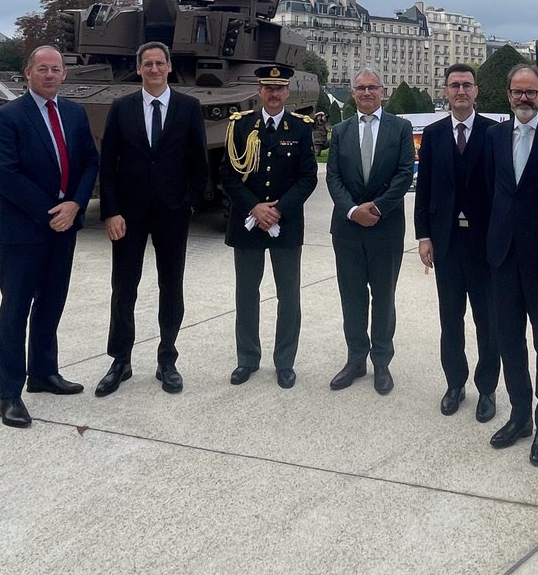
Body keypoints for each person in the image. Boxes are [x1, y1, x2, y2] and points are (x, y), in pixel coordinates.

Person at [0, 46, 99, 427]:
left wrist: (75, 205)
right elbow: (7, 173)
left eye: (56, 69)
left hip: (63, 227)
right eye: (42, 69)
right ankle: (8, 394)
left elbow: (89, 163)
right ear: (28, 73)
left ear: (64, 75)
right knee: (15, 310)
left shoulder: (74, 113)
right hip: (23, 230)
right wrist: (50, 212)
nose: (49, 75)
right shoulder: (8, 117)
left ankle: (43, 373)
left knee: (51, 303)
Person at [95, 42, 208, 397]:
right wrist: (110, 210)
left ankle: (167, 359)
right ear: (139, 69)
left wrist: (189, 203)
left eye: (160, 63)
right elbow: (107, 165)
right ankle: (120, 361)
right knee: (124, 289)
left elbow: (199, 163)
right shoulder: (121, 107)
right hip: (127, 216)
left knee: (171, 286)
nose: (155, 69)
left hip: (172, 214)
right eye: (148, 64)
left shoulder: (188, 107)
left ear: (170, 67)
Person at [485, 64, 538, 466]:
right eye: (517, 92)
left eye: (531, 92)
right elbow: (490, 192)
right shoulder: (493, 137)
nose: (523, 98)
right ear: (508, 95)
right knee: (509, 341)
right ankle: (519, 415)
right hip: (502, 255)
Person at [221, 64, 318, 388]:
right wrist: (254, 207)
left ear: (287, 92)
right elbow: (228, 175)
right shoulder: (240, 125)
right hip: (248, 222)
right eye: (268, 88)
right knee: (246, 294)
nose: (274, 94)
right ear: (260, 92)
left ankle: (284, 362)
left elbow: (307, 177)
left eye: (279, 89)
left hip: (285, 223)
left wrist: (278, 210)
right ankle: (247, 359)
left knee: (288, 296)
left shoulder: (301, 128)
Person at [414, 64, 499, 422]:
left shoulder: (494, 133)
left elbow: (499, 191)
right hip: (446, 243)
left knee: (487, 322)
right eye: (454, 85)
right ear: (445, 91)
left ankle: (488, 389)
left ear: (476, 91)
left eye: (466, 85)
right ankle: (455, 383)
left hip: (482, 245)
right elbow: (425, 190)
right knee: (451, 320)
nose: (461, 91)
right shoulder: (432, 135)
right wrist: (423, 236)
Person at [326, 67, 413, 395]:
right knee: (352, 296)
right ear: (352, 93)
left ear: (383, 91)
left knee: (383, 297)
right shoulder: (340, 130)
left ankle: (381, 362)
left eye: (372, 87)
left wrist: (375, 208)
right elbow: (332, 177)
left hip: (385, 227)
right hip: (347, 230)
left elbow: (405, 174)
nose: (366, 93)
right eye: (360, 88)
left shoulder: (400, 128)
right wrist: (351, 210)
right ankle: (355, 359)